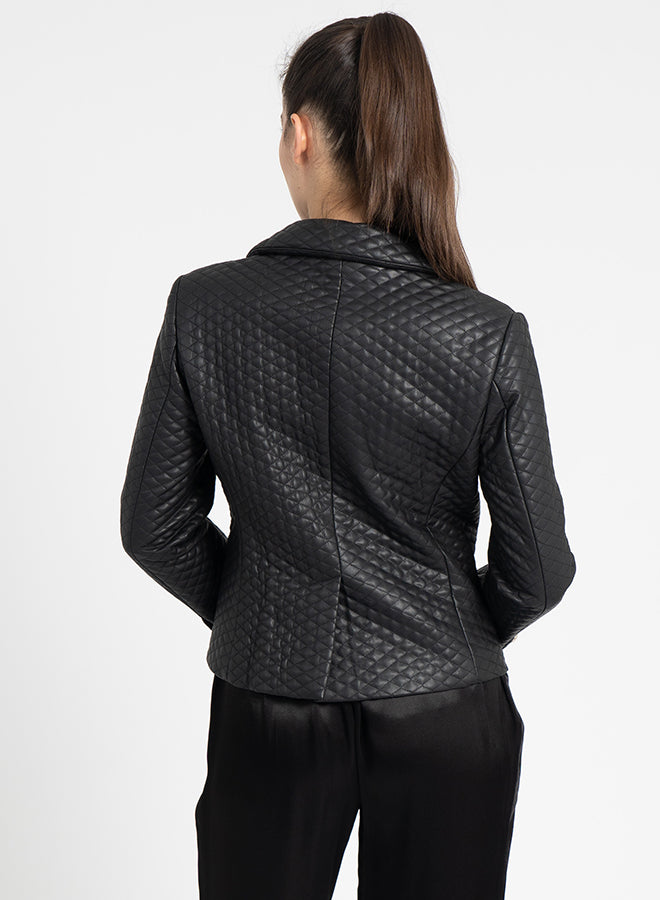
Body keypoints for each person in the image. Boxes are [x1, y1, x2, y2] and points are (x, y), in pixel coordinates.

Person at [119, 12, 576, 900]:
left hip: (268, 703)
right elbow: (541, 570)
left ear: (300, 135)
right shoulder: (484, 333)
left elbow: (154, 525)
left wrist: (259, 613)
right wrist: (449, 627)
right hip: (449, 711)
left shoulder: (205, 307)